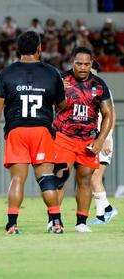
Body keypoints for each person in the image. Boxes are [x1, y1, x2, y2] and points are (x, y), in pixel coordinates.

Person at [0, 31, 67, 235]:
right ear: (39, 49)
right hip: (41, 130)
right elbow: (62, 105)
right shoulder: (52, 73)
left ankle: (12, 224)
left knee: (17, 180)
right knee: (47, 179)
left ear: (17, 50)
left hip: (16, 131)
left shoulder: (6, 73)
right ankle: (56, 222)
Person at [53, 47, 114, 232]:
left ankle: (81, 222)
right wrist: (58, 92)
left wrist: (101, 139)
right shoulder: (61, 80)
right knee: (59, 178)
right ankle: (54, 219)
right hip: (63, 137)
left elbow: (108, 114)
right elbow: (51, 105)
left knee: (85, 180)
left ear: (92, 63)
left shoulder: (99, 84)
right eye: (79, 63)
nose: (82, 67)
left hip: (88, 140)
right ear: (72, 62)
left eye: (87, 64)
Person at [88, 61, 118, 225]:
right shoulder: (85, 90)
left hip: (103, 139)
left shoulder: (103, 89)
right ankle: (107, 209)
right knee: (90, 177)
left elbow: (111, 115)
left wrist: (107, 138)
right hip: (91, 139)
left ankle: (101, 215)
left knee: (95, 177)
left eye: (92, 70)